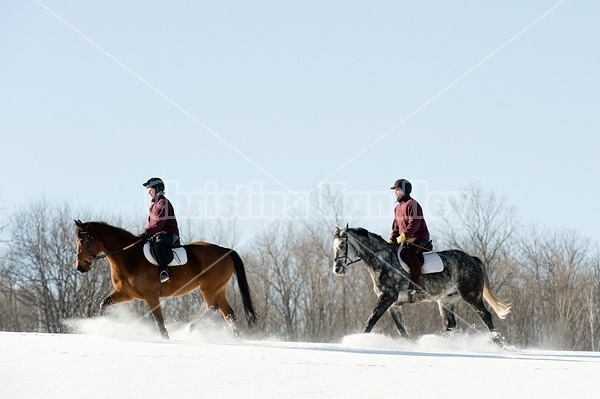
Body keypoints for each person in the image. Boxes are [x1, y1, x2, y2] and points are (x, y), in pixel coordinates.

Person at [389, 178, 433, 294]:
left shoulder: (412, 204)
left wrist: (404, 235)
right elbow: (395, 227)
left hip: (420, 236)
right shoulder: (397, 208)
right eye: (395, 191)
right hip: (406, 239)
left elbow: (415, 223)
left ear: (405, 190)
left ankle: (417, 283)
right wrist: (391, 240)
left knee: (410, 252)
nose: (395, 193)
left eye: (397, 190)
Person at [139, 177, 180, 283]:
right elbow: (152, 225)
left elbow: (158, 224)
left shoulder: (163, 203)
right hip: (158, 234)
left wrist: (145, 233)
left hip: (169, 234)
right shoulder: (153, 205)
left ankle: (164, 271)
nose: (148, 193)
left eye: (150, 189)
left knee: (158, 245)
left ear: (157, 189)